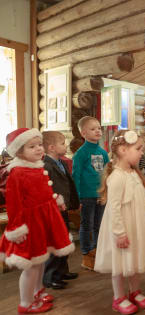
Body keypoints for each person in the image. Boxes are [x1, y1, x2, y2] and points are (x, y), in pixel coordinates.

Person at [0, 128, 74, 314]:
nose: (39, 149)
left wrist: (55, 200)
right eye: (32, 146)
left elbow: (41, 193)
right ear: (19, 152)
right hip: (29, 225)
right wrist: (17, 229)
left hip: (43, 221)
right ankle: (25, 303)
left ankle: (37, 292)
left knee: (41, 260)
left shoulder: (37, 166)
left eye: (39, 145)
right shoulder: (17, 173)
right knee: (32, 265)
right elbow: (14, 203)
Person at [94, 130, 145, 314]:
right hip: (122, 228)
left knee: (134, 258)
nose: (141, 153)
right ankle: (118, 297)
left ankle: (134, 291)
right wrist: (120, 233)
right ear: (122, 149)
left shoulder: (134, 173)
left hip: (136, 225)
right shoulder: (117, 177)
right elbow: (114, 208)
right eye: (138, 149)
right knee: (120, 263)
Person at [42, 131, 80, 290]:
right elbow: (45, 189)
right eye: (63, 143)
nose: (66, 146)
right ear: (51, 147)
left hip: (63, 209)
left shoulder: (62, 162)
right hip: (53, 210)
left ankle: (63, 271)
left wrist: (73, 202)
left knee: (65, 240)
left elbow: (68, 184)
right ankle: (50, 276)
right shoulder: (46, 166)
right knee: (55, 243)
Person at [72, 116, 109, 270]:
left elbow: (108, 172)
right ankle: (87, 252)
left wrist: (107, 191)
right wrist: (77, 197)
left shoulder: (103, 152)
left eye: (99, 128)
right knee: (87, 224)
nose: (98, 131)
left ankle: (97, 250)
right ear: (83, 133)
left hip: (100, 194)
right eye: (93, 129)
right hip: (86, 195)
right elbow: (76, 175)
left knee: (99, 224)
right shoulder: (80, 153)